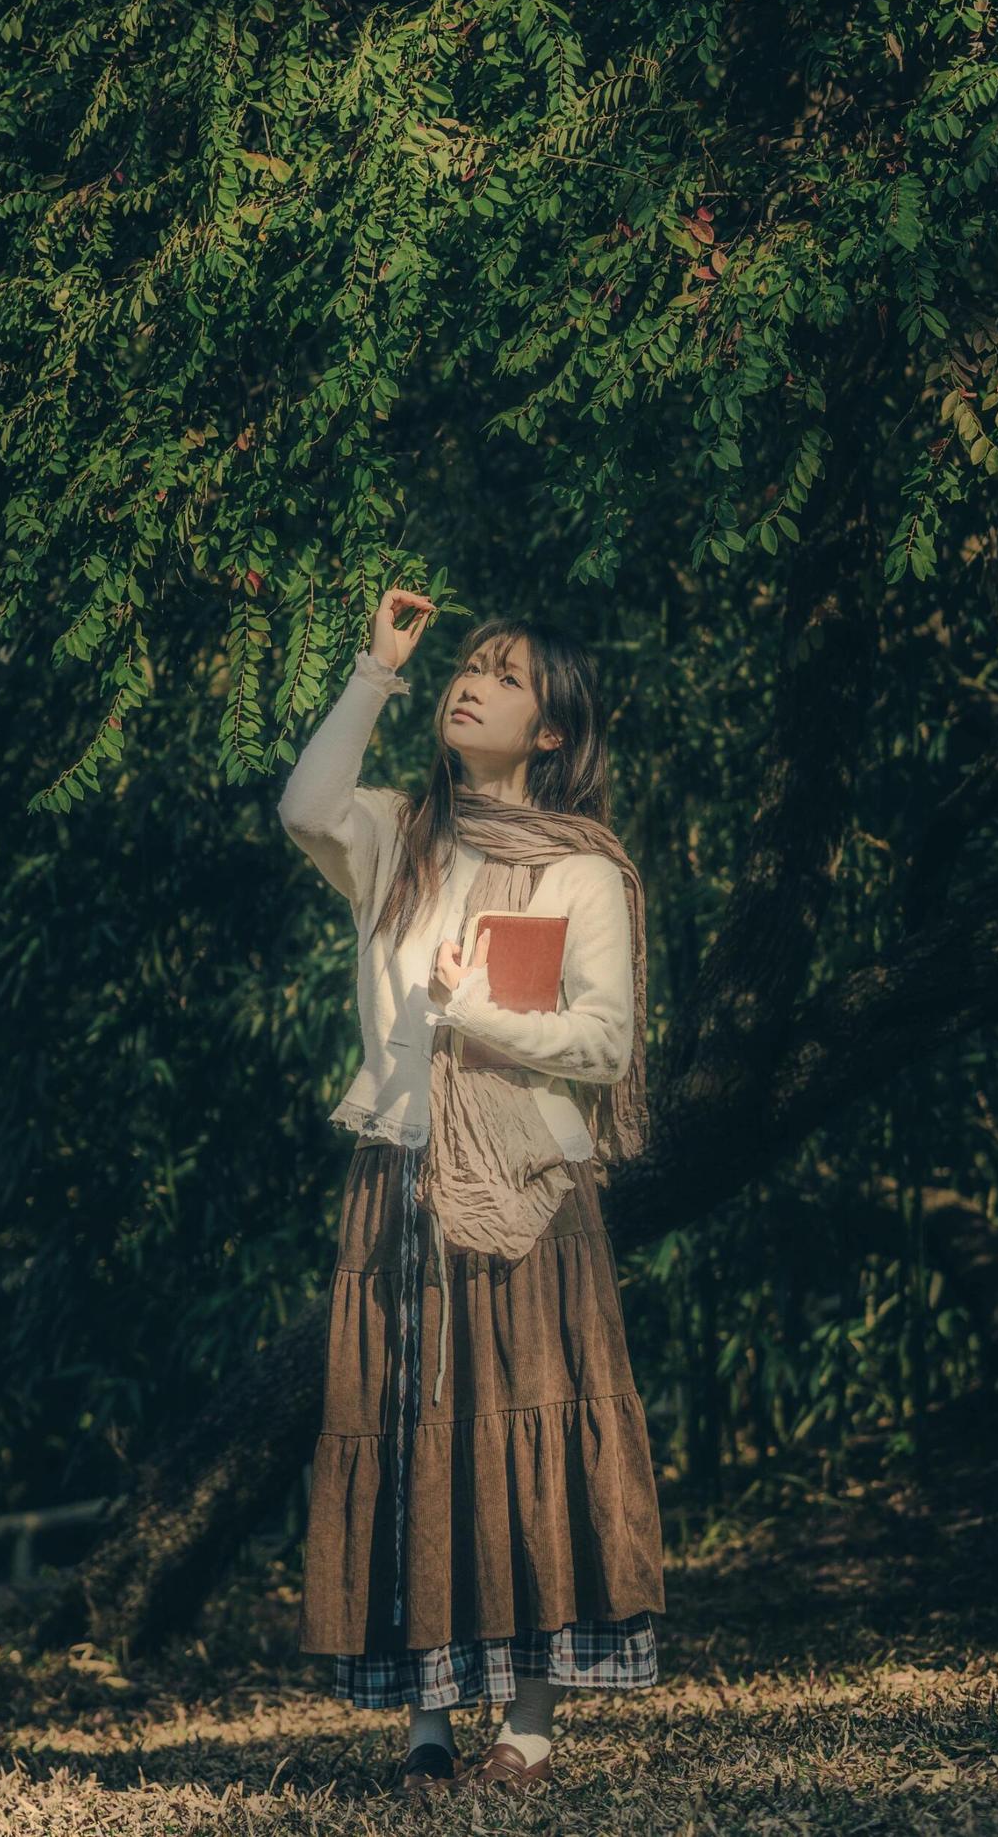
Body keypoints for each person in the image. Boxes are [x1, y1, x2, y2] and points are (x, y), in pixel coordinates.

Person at [277, 588, 665, 1799]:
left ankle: (529, 1728)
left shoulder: (582, 871)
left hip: (528, 1184)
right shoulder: (398, 835)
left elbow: (604, 1041)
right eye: (466, 666)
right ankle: (428, 1729)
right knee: (414, 1434)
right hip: (398, 1163)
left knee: (526, 1424)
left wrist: (471, 1009)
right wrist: (372, 670)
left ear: (548, 731)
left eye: (503, 677)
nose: (468, 684)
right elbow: (303, 806)